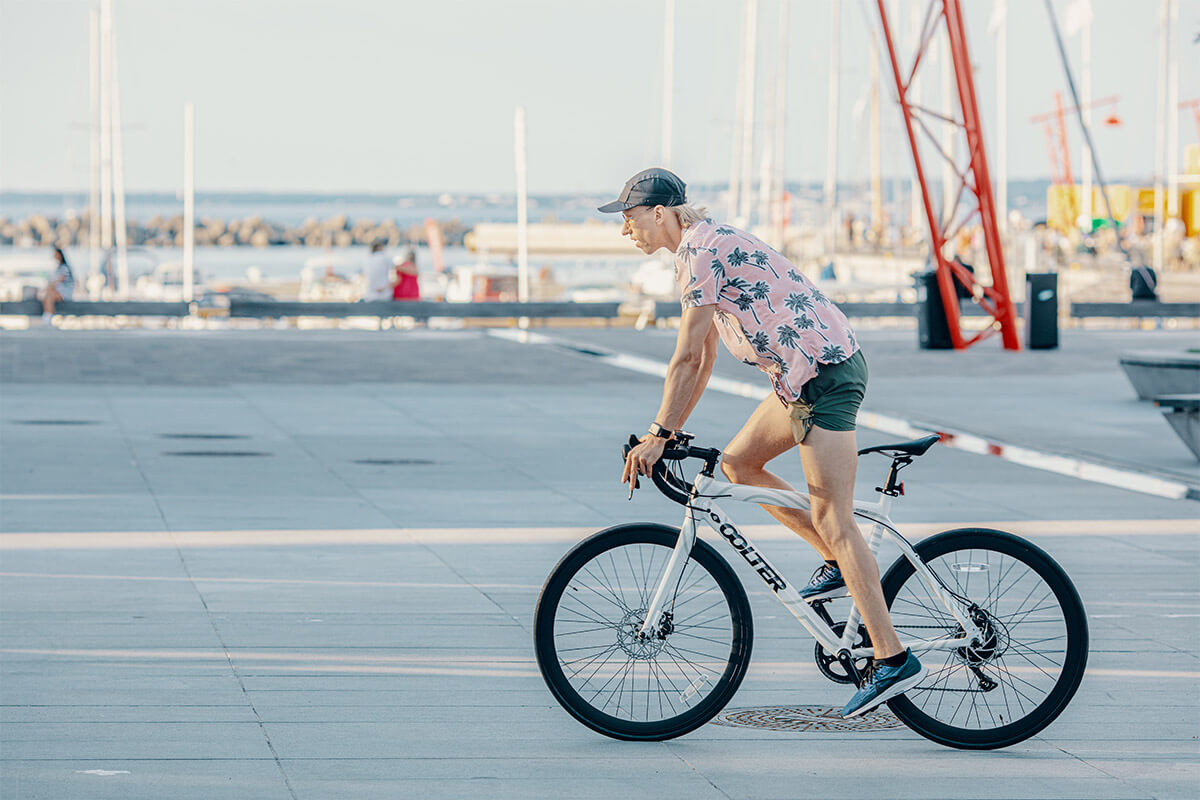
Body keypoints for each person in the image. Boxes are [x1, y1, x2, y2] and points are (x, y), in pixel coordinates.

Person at [605, 167, 926, 719]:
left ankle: (892, 658)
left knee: (836, 518)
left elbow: (685, 357)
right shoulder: (702, 248)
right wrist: (671, 428)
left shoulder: (700, 253)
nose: (625, 229)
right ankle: (836, 562)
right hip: (800, 379)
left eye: (629, 217)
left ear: (659, 214)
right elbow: (701, 357)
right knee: (738, 463)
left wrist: (658, 435)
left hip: (823, 375)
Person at [41, 247, 75, 325]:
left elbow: (60, 280)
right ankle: (48, 315)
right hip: (59, 291)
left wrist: (47, 287)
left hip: (65, 293)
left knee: (49, 295)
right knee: (48, 295)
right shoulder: (59, 267)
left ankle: (48, 316)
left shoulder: (64, 267)